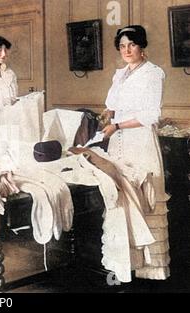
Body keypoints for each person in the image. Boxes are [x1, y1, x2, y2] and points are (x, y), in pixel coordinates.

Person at [102, 25, 170, 280]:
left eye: (132, 45)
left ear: (142, 46)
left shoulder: (153, 74)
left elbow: (150, 116)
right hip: (117, 142)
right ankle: (125, 264)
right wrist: (108, 115)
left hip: (139, 141)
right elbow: (112, 106)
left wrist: (117, 124)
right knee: (121, 200)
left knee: (143, 198)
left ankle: (150, 272)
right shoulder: (120, 74)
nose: (127, 50)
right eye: (122, 46)